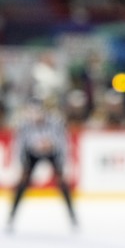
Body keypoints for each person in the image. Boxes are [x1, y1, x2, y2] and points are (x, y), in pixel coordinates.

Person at [5, 99, 78, 231]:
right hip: (31, 154)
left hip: (53, 153)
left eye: (36, 112)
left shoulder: (55, 123)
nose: (34, 116)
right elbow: (19, 145)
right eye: (31, 112)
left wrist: (63, 164)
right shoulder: (24, 126)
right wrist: (21, 165)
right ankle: (11, 218)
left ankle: (73, 217)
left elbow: (63, 143)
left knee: (63, 184)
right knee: (22, 185)